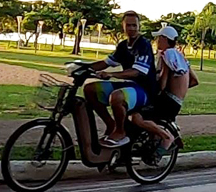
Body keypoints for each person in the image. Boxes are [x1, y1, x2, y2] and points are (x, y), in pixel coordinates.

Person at [84, 11, 157, 147]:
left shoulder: (144, 45)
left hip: (144, 90)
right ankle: (110, 125)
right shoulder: (123, 46)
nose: (131, 29)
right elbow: (106, 62)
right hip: (128, 85)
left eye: (134, 25)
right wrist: (83, 67)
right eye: (128, 25)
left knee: (117, 97)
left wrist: (112, 74)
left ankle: (120, 131)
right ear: (123, 26)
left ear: (139, 26)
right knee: (90, 89)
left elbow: (136, 72)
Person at [130, 26, 198, 156]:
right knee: (150, 117)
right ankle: (154, 141)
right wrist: (179, 89)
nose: (156, 41)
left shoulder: (165, 55)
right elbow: (194, 80)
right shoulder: (181, 57)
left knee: (136, 116)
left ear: (164, 39)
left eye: (158, 38)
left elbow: (162, 83)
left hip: (167, 101)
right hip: (177, 102)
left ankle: (166, 137)